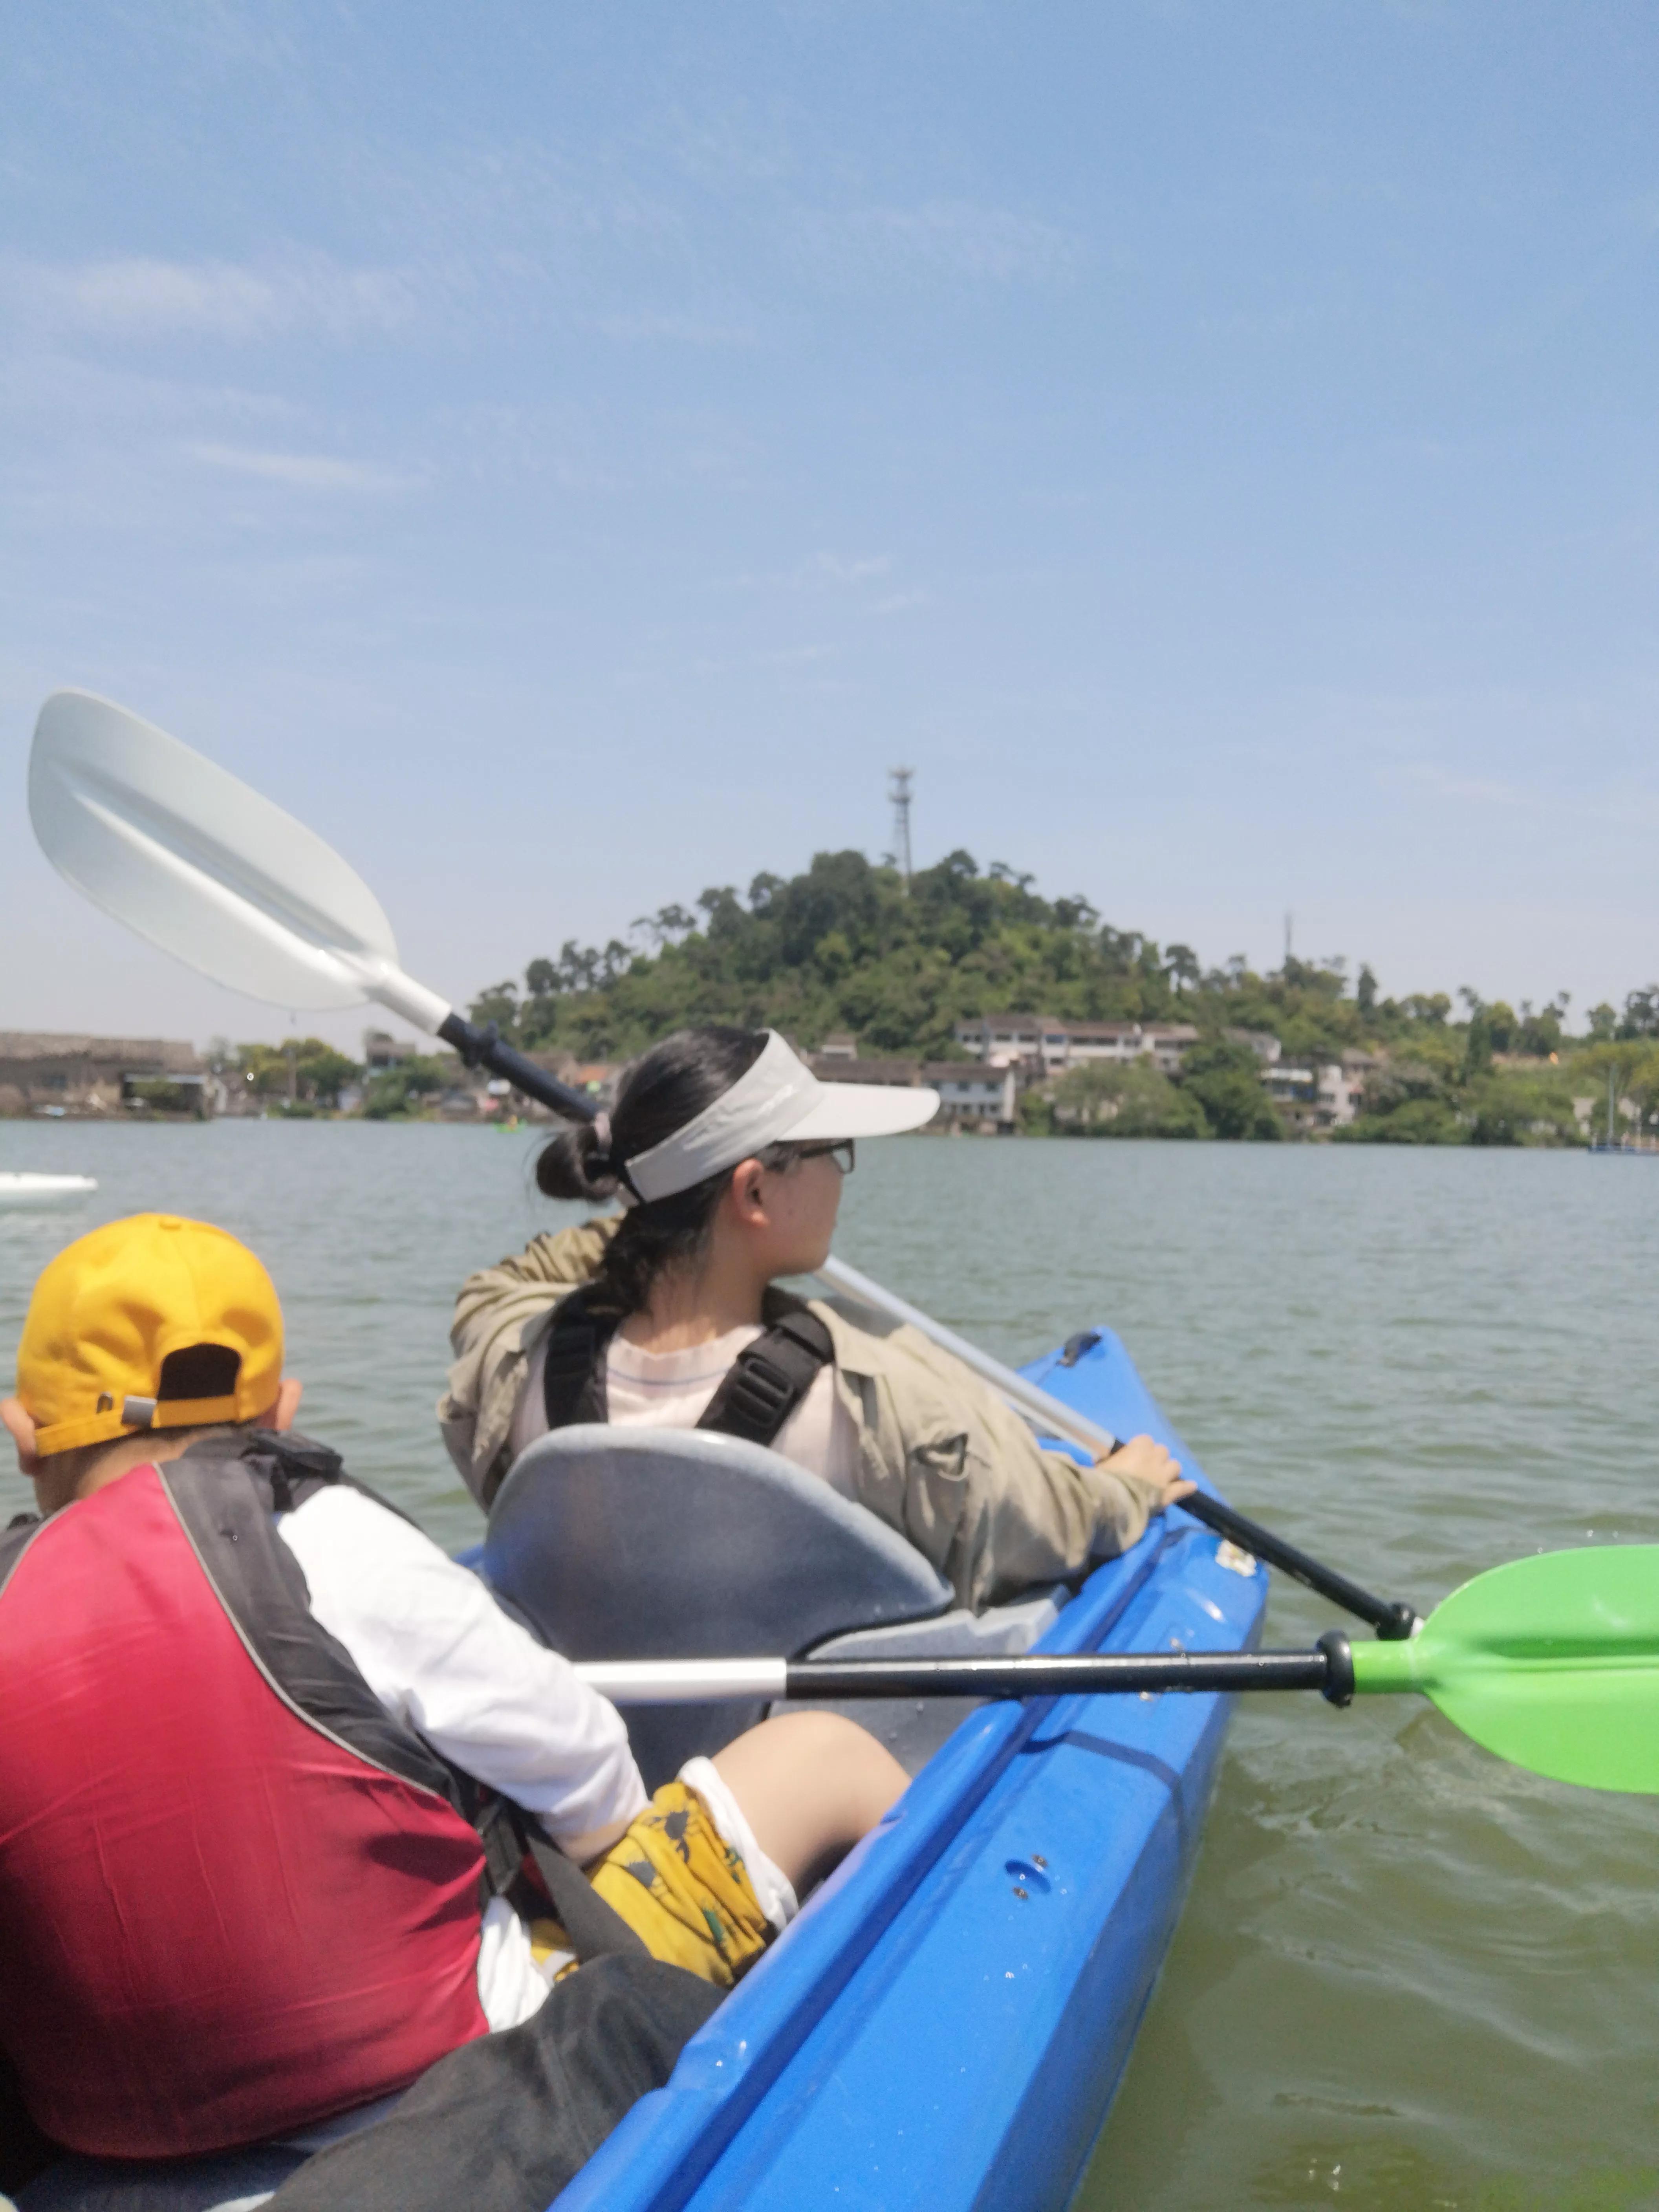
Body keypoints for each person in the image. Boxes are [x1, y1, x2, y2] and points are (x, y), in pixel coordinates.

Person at [0, 1213, 906, 2172]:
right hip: (470, 2113)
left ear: (23, 1437)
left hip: (102, 2159)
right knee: (819, 1754)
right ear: (280, 1414)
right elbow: (592, 1770)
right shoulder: (329, 1539)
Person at [441, 1027, 1194, 1611]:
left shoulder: (514, 1359)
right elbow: (1046, 1526)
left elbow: (507, 1282)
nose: (842, 1174)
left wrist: (660, 1211)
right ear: (755, 1193)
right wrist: (1126, 1489)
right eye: (833, 1150)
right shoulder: (880, 1396)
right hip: (801, 1772)